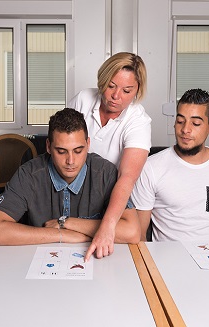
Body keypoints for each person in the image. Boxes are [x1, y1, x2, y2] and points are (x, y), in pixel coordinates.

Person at [0, 108, 140, 249]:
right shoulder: (29, 174)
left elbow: (132, 232)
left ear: (88, 144)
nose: (70, 161)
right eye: (61, 151)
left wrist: (66, 222)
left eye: (78, 151)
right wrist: (64, 235)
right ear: (48, 147)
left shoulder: (104, 172)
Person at [131, 89, 209, 241]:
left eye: (196, 123)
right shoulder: (151, 167)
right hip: (170, 261)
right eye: (180, 121)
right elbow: (138, 234)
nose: (185, 129)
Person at [68, 52, 150, 260]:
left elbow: (127, 177)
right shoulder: (83, 99)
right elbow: (62, 143)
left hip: (114, 192)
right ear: (102, 80)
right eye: (111, 86)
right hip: (75, 183)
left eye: (127, 90)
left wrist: (107, 226)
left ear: (137, 90)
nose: (116, 96)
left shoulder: (138, 121)